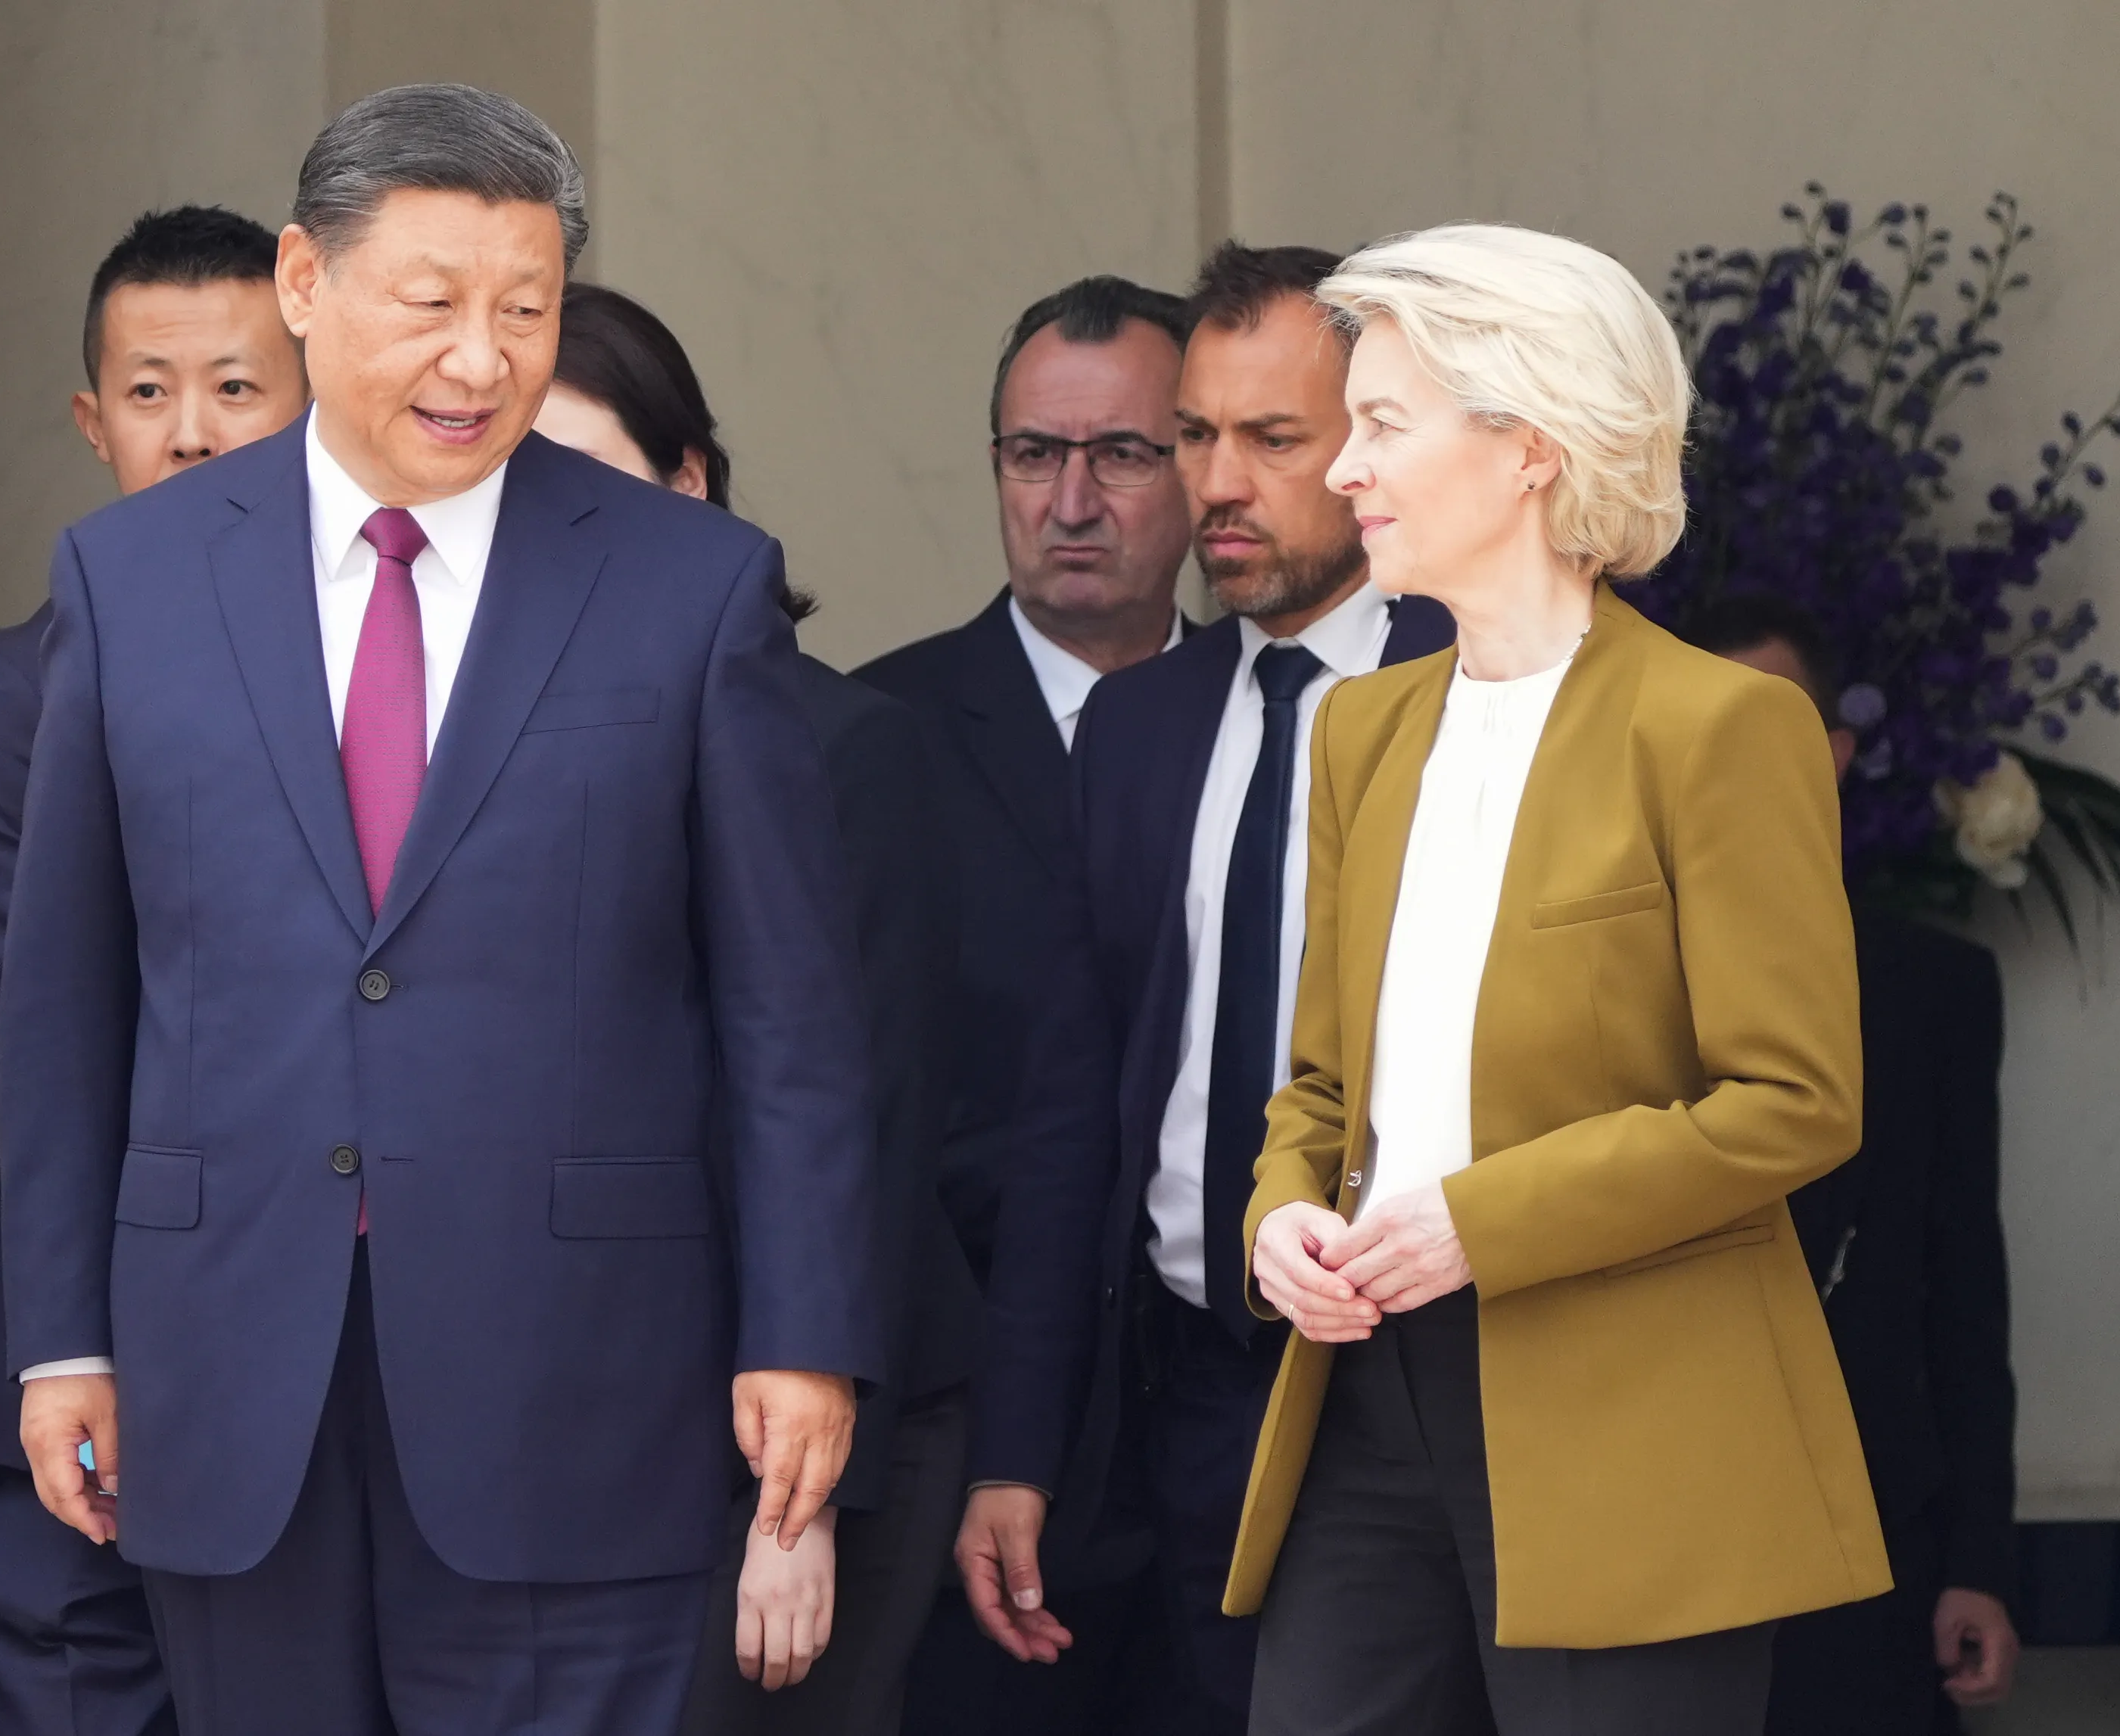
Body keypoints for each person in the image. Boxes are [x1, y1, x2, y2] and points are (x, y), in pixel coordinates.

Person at [0, 86, 877, 1736]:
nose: (482, 360)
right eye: (434, 306)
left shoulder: (691, 587)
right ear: (306, 287)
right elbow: (68, 1000)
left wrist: (805, 1332)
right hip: (224, 1372)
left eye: (524, 311)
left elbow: (788, 1014)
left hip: (586, 1385)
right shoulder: (134, 581)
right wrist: (60, 1340)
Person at [1234, 222, 1890, 1736]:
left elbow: (1792, 1101)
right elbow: (1324, 1089)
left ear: (1528, 446)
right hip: (1365, 1401)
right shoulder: (1362, 733)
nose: (1342, 469)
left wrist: (1476, 1222)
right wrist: (1280, 1217)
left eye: (1382, 424)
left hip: (1634, 1422)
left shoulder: (1718, 729)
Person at [529, 279, 981, 1736]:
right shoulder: (472, 756)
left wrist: (803, 1513)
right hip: (570, 1441)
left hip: (796, 1450)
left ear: (690, 485)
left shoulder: (844, 747)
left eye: (585, 481)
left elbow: (871, 1124)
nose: (550, 533)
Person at [1041, 241, 1455, 1734]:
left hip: (1426, 1373)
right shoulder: (1141, 727)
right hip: (1192, 1380)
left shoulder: (1489, 690)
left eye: (1271, 438)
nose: (1218, 481)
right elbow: (1076, 1099)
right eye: (1195, 436)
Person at [0, 204, 308, 1736]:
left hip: (332, 1384)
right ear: (91, 423)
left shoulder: (386, 682)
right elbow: (44, 1057)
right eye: (149, 393)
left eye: (235, 387)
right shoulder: (7, 701)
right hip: (75, 1379)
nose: (191, 436)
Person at [855, 276, 1181, 1733]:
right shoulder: (873, 737)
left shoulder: (1303, 726)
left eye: (1124, 453)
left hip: (1240, 1440)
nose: (1072, 499)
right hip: (965, 1449)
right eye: (1032, 454)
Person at [1686, 594, 2022, 1733]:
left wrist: (1980, 1557)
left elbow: (1966, 1286)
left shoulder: (1933, 989)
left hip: (1873, 1530)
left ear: (1835, 756)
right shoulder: (1609, 971)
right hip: (1663, 1526)